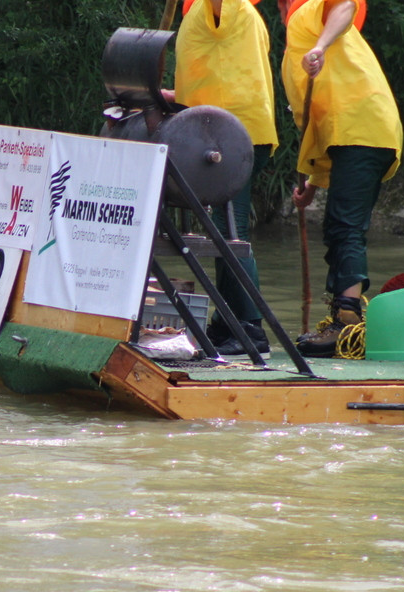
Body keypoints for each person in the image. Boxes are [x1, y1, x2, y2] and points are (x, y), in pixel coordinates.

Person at [278, 0, 403, 357]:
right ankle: (342, 314)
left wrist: (320, 45)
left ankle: (347, 319)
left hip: (362, 129)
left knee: (345, 225)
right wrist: (314, 185)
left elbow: (345, 4)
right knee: (337, 225)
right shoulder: (298, 36)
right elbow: (319, 123)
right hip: (353, 135)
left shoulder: (312, 16)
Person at [167, 0, 279, 358]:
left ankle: (249, 327)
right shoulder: (223, 18)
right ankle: (229, 321)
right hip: (229, 133)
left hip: (232, 137)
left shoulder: (226, 8)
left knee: (231, 232)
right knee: (224, 228)